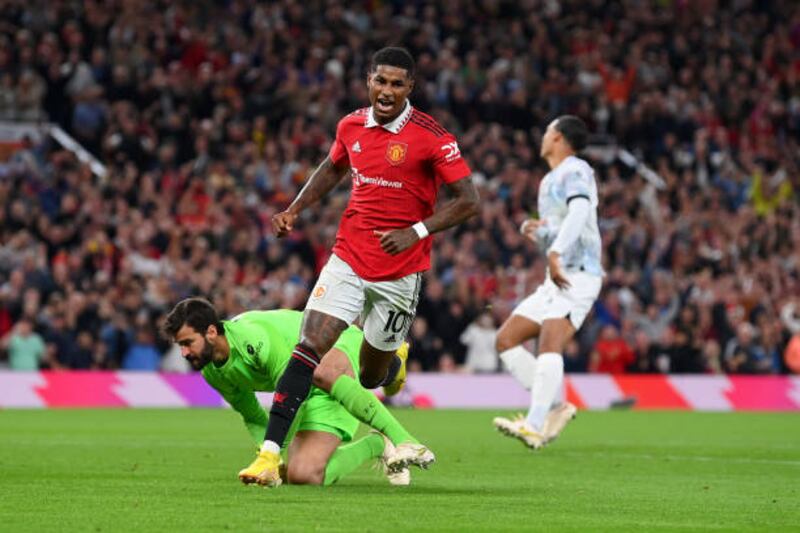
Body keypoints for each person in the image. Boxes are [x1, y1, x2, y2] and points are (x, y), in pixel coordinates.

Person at [260, 46, 479, 483]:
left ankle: (395, 359)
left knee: (369, 375)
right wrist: (296, 208)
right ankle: (267, 454)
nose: (387, 91)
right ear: (369, 80)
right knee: (308, 346)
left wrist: (414, 231)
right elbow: (331, 167)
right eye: (381, 81)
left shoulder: (432, 136)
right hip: (348, 256)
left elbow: (469, 202)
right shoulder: (350, 124)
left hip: (401, 271)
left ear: (409, 88)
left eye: (397, 84)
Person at [162, 297, 432, 487]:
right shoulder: (213, 372)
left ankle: (392, 373)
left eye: (187, 343)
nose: (184, 353)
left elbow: (294, 389)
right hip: (306, 389)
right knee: (302, 476)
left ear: (211, 332)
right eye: (180, 346)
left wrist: (274, 452)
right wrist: (266, 455)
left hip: (336, 348)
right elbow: (253, 416)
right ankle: (377, 444)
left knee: (320, 372)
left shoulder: (253, 340)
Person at [493, 116, 603, 449]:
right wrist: (536, 231)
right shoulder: (549, 181)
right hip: (554, 278)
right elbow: (560, 229)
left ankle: (535, 422)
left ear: (557, 137)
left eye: (546, 132)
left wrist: (553, 252)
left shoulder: (576, 170)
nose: (542, 137)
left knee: (550, 342)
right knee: (506, 340)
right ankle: (555, 406)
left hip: (578, 274)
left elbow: (580, 211)